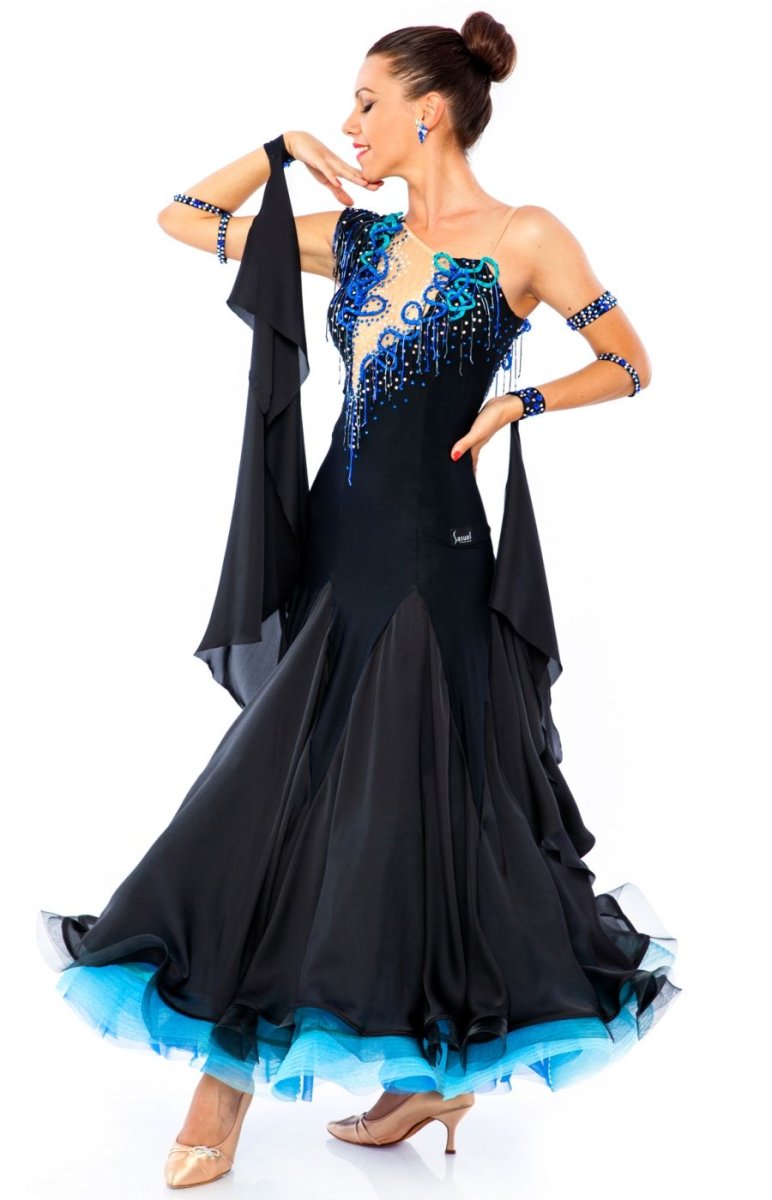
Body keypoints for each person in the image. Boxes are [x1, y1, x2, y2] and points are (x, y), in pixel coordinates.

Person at [36, 12, 681, 1190]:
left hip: (436, 562)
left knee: (418, 814)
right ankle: (327, 1075)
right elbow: (183, 219)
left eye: (366, 101)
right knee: (275, 795)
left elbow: (631, 362)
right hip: (334, 549)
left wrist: (519, 405)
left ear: (428, 110)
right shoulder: (357, 240)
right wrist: (276, 151)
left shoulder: (526, 237)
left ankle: (300, 1082)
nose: (349, 122)